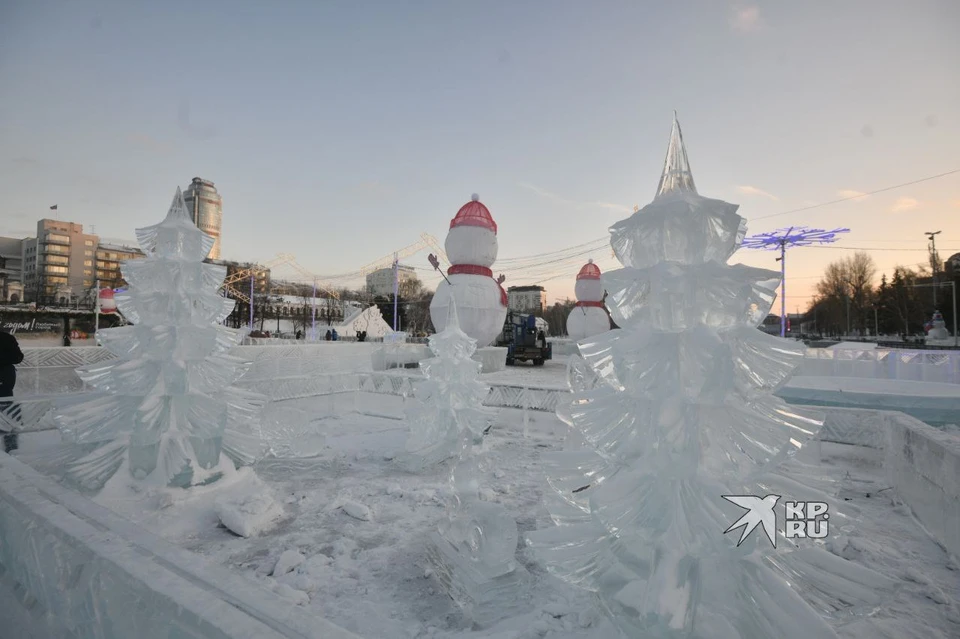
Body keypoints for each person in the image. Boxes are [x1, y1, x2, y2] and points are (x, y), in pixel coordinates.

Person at [0, 329, 24, 453]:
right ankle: (11, 448)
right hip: (5, 380)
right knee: (8, 412)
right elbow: (18, 357)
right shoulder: (7, 338)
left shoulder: (7, 338)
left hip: (4, 380)